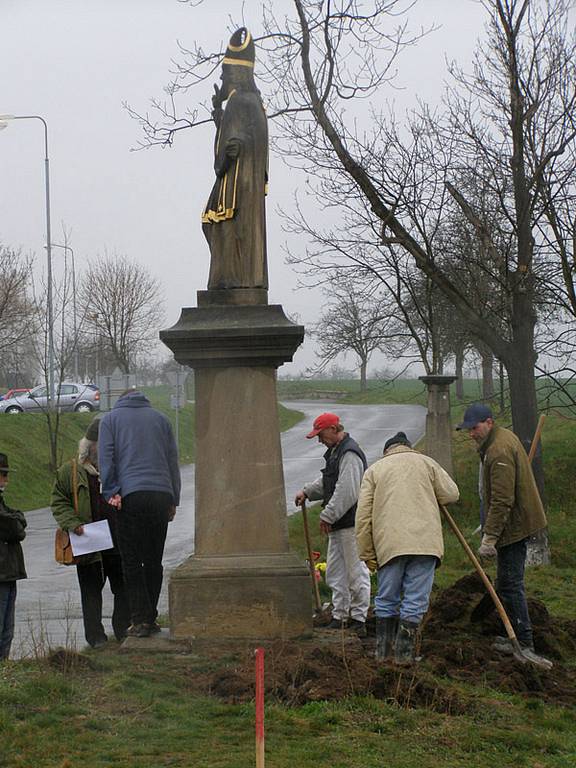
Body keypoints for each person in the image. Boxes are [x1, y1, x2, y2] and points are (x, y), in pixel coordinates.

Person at [356, 432, 459, 663]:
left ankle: (383, 654)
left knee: (386, 598)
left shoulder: (375, 470)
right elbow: (452, 494)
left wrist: (366, 553)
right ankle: (404, 656)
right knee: (415, 600)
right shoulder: (427, 463)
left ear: (387, 451)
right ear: (408, 447)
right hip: (425, 544)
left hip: (390, 545)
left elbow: (362, 517)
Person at [456, 403, 547, 659]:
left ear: (489, 422)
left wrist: (490, 538)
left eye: (474, 428)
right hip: (514, 522)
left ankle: (524, 642)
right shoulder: (499, 440)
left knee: (511, 584)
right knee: (507, 582)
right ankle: (515, 637)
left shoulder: (498, 451)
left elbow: (502, 500)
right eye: (468, 429)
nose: (471, 433)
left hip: (515, 526)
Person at [98, 389, 181, 638]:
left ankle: (140, 620)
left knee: (132, 560)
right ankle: (151, 617)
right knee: (154, 560)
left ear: (120, 399)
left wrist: (111, 491)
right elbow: (172, 460)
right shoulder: (162, 419)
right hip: (160, 495)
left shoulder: (110, 420)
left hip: (130, 496)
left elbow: (107, 458)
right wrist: (173, 498)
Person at [51, 418, 130, 648]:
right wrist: (73, 523)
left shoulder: (118, 469)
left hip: (117, 540)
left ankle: (123, 629)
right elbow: (58, 502)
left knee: (123, 587)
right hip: (88, 541)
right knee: (91, 592)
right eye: (100, 445)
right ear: (89, 446)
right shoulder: (70, 471)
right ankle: (96, 638)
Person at [202, 27, 269, 290]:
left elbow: (226, 154)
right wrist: (219, 112)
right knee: (221, 226)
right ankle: (235, 277)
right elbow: (237, 136)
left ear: (238, 74)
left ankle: (229, 278)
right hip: (244, 185)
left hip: (236, 186)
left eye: (226, 71)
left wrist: (230, 152)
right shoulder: (254, 103)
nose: (221, 76)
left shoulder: (240, 101)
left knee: (220, 225)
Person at [295, 412, 371, 637]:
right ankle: (340, 615)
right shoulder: (336, 453)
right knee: (336, 573)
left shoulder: (350, 453)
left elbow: (347, 490)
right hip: (340, 524)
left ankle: (359, 618)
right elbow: (329, 481)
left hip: (351, 523)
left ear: (334, 429)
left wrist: (328, 515)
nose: (319, 440)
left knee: (356, 572)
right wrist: (308, 492)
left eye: (321, 435)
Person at [0, 453, 26, 660]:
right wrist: (17, 521)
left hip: (8, 571)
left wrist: (17, 520)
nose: (6, 480)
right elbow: (14, 528)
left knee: (7, 627)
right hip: (2, 572)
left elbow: (16, 518)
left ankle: (4, 667)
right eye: (3, 475)